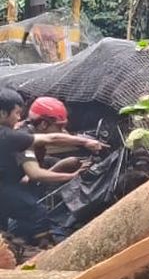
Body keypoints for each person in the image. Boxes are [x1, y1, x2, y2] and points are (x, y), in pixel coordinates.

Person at [0, 89, 104, 242]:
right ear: (43, 124)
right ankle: (42, 248)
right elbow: (34, 175)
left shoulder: (19, 133)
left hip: (11, 182)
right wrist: (71, 175)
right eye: (60, 126)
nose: (64, 131)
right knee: (36, 212)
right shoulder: (19, 139)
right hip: (8, 187)